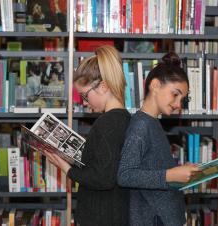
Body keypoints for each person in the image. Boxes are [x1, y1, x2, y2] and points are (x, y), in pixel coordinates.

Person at [44, 45, 130, 226]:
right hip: (116, 211)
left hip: (100, 215)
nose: (85, 103)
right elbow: (107, 164)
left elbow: (103, 178)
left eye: (85, 96)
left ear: (103, 86)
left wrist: (65, 167)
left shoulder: (106, 124)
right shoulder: (125, 118)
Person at [117, 52, 200, 226]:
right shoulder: (141, 126)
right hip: (153, 218)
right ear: (155, 85)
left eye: (182, 99)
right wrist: (171, 175)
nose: (178, 104)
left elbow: (152, 167)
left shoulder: (152, 122)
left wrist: (179, 171)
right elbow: (125, 175)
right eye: (175, 94)